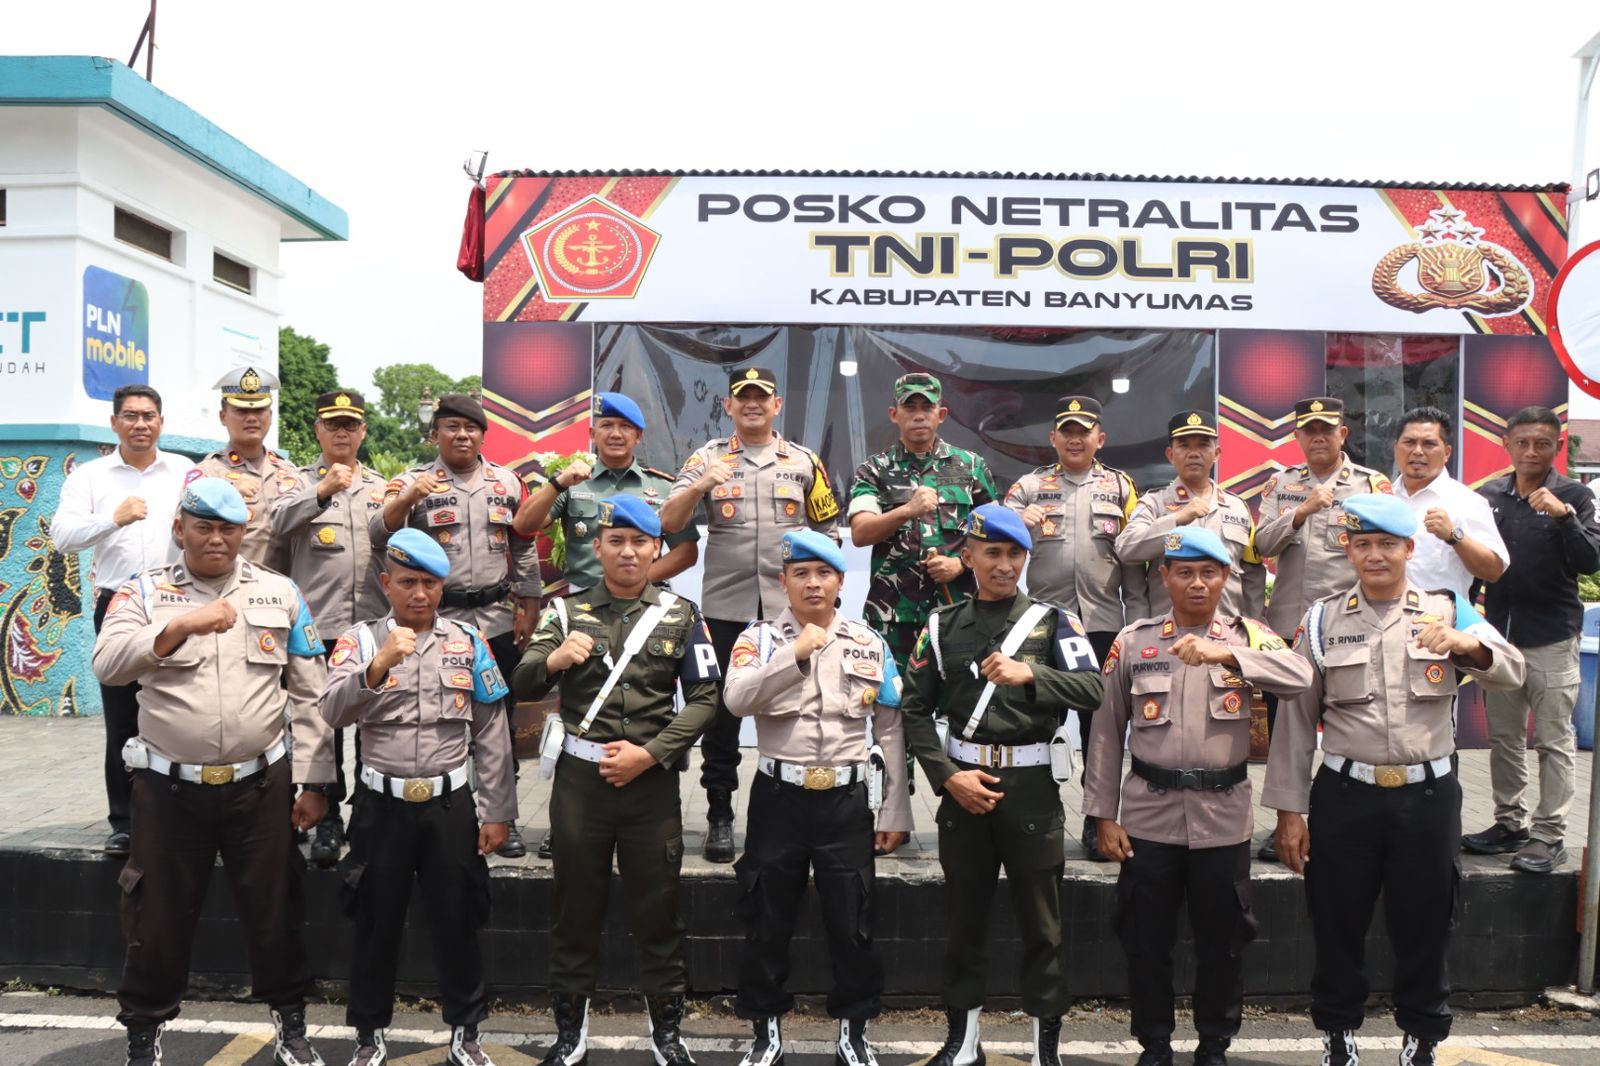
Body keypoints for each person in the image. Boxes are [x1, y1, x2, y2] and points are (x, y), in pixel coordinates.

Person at [1264, 493, 1525, 1066]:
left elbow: (1514, 670)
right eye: (1363, 544)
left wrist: (1469, 645)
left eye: (1387, 544)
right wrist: (1288, 810)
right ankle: (1338, 1035)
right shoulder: (1321, 619)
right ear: (1348, 549)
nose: (1375, 555)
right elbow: (1296, 720)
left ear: (1409, 548)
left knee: (1426, 922)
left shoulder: (1447, 607)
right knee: (1336, 919)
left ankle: (1422, 1039)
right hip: (1345, 795)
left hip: (1427, 796)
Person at [91, 478, 334, 1066]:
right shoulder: (141, 592)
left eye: (229, 528)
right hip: (168, 789)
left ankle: (290, 1026)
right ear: (180, 530)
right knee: (156, 918)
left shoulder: (280, 592)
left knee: (277, 911)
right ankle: (144, 1035)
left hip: (261, 786)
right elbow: (107, 664)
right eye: (204, 527)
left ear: (244, 532)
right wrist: (179, 627)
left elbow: (312, 694)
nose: (217, 539)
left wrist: (315, 781)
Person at [1084, 528, 1312, 1066]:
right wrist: (1102, 815)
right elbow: (1105, 731)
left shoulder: (1248, 635)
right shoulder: (1134, 641)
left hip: (1222, 819)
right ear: (1164, 576)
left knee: (1224, 943)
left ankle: (1214, 1045)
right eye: (1184, 572)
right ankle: (1155, 1045)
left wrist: (1228, 656)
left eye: (1209, 572)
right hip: (1148, 817)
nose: (1196, 583)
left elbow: (1301, 676)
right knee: (1145, 942)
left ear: (1225, 577)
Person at [513, 495, 721, 1066]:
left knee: (658, 908)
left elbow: (706, 699)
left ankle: (667, 1033)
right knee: (575, 907)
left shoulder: (682, 615)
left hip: (650, 785)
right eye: (616, 541)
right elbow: (522, 681)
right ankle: (570, 1032)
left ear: (656, 549)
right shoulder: (564, 612)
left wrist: (651, 754)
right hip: (580, 786)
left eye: (640, 542)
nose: (628, 552)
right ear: (597, 547)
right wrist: (554, 661)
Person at [901, 504, 1105, 1066]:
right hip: (963, 786)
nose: (1004, 564)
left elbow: (1094, 690)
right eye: (992, 552)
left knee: (1043, 925)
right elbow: (914, 710)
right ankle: (963, 1044)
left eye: (1015, 553)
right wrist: (947, 778)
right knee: (963, 921)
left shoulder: (1054, 622)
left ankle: (1044, 1051)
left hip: (1031, 787)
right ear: (968, 556)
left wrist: (1032, 673)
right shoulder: (942, 625)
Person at [320, 529, 515, 1066]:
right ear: (386, 584)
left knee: (458, 919)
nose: (420, 594)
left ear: (443, 586)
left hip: (449, 805)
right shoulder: (361, 642)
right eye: (408, 582)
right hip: (380, 806)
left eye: (430, 583)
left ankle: (466, 1032)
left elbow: (491, 729)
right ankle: (368, 1035)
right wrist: (377, 666)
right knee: (375, 921)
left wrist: (497, 810)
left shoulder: (468, 642)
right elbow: (331, 712)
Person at [722, 529, 912, 1066]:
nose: (812, 584)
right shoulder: (760, 640)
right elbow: (735, 700)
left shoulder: (869, 642)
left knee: (853, 922)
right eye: (800, 574)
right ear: (782, 581)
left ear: (841, 581)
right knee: (766, 918)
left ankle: (854, 1032)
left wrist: (896, 808)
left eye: (823, 573)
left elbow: (890, 729)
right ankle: (766, 1032)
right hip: (778, 798)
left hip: (847, 803)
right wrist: (795, 656)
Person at [660, 366, 840, 863]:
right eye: (744, 397)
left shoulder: (804, 461)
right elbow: (668, 521)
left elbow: (829, 531)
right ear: (729, 406)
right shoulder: (707, 458)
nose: (753, 404)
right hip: (726, 608)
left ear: (777, 405)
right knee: (720, 714)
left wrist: (825, 598)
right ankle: (719, 813)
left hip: (790, 610)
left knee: (801, 704)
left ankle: (800, 812)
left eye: (763, 397)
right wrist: (700, 486)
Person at [373, 392, 542, 858]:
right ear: (435, 434)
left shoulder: (507, 482)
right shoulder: (412, 482)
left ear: (484, 435)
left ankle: (502, 816)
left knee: (498, 722)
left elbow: (523, 545)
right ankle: (438, 816)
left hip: (496, 619)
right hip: (434, 621)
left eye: (471, 428)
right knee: (435, 716)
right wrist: (410, 497)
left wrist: (530, 604)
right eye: (452, 427)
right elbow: (378, 534)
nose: (462, 435)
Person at [49, 384, 197, 857]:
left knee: (184, 709)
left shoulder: (184, 471)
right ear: (114, 423)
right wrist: (112, 519)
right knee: (122, 717)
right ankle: (126, 822)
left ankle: (183, 817)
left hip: (178, 602)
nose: (140, 424)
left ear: (161, 422)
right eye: (130, 415)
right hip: (119, 605)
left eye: (148, 415)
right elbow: (62, 536)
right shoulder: (90, 477)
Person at [1003, 394, 1145, 861]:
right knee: (1035, 724)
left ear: (1100, 438)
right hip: (1045, 623)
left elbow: (1132, 560)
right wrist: (1014, 520)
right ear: (1053, 438)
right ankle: (1029, 815)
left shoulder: (1121, 487)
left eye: (1084, 431)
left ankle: (1096, 819)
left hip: (1101, 626)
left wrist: (1137, 624)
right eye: (1067, 431)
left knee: (1098, 730)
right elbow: (994, 535)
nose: (1075, 439)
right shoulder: (1029, 486)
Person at [1250, 397, 1390, 862]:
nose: (1317, 438)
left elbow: (1385, 552)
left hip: (1348, 632)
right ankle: (1286, 822)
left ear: (1342, 434)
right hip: (1289, 631)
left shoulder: (1370, 485)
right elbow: (1260, 545)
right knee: (1286, 734)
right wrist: (1302, 511)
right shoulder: (1282, 484)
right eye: (1308, 430)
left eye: (1326, 429)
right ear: (1297, 437)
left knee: (1350, 727)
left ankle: (1344, 822)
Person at [1463, 407, 1600, 873]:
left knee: (1554, 741)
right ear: (1506, 444)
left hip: (1552, 638)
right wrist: (1467, 621)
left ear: (1557, 446)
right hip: (1500, 639)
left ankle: (1549, 834)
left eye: (1542, 443)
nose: (1531, 452)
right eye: (1521, 442)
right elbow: (1475, 565)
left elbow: (1590, 562)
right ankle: (1509, 824)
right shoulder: (1488, 497)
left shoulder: (1575, 496)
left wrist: (1565, 519)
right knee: (1503, 739)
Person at [271, 389, 390, 869]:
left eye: (351, 424)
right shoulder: (296, 482)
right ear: (318, 429)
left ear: (363, 431)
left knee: (372, 726)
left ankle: (367, 817)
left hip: (370, 629)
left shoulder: (382, 487)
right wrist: (321, 491)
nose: (342, 432)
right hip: (317, 627)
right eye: (333, 424)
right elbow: (276, 523)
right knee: (321, 729)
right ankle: (327, 820)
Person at [847, 371, 996, 673]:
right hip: (893, 617)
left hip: (956, 611)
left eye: (927, 407)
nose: (919, 415)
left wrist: (962, 564)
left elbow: (994, 534)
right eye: (909, 407)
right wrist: (906, 510)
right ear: (894, 414)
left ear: (941, 414)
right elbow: (860, 533)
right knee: (895, 698)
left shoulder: (971, 466)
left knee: (957, 696)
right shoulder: (873, 470)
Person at [514, 391, 700, 595]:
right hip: (583, 598)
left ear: (638, 436)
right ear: (593, 434)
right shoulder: (572, 482)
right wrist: (557, 483)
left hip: (642, 597)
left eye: (625, 426)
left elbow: (686, 551)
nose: (616, 434)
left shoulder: (663, 487)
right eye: (607, 425)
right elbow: (523, 525)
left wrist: (637, 580)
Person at [1116, 411, 1266, 620]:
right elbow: (1126, 548)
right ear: (1170, 454)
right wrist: (1176, 520)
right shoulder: (1154, 503)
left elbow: (1253, 577)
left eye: (1203, 445)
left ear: (1217, 453)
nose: (1194, 453)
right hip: (1168, 630)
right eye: (1184, 445)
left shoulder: (1237, 507)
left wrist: (1252, 627)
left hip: (1227, 629)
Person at [1389, 405, 1507, 598]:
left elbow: (1494, 570)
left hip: (1439, 614)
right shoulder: (1381, 496)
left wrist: (1454, 536)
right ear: (1396, 448)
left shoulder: (1467, 502)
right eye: (1409, 442)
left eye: (1429, 444)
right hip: (1383, 613)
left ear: (1447, 453)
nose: (1417, 451)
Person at [198, 366, 299, 571]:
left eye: (259, 410)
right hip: (231, 585)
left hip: (283, 586)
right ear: (223, 416)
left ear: (270, 415)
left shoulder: (289, 471)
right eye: (242, 411)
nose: (252, 418)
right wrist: (226, 495)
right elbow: (181, 536)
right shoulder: (207, 473)